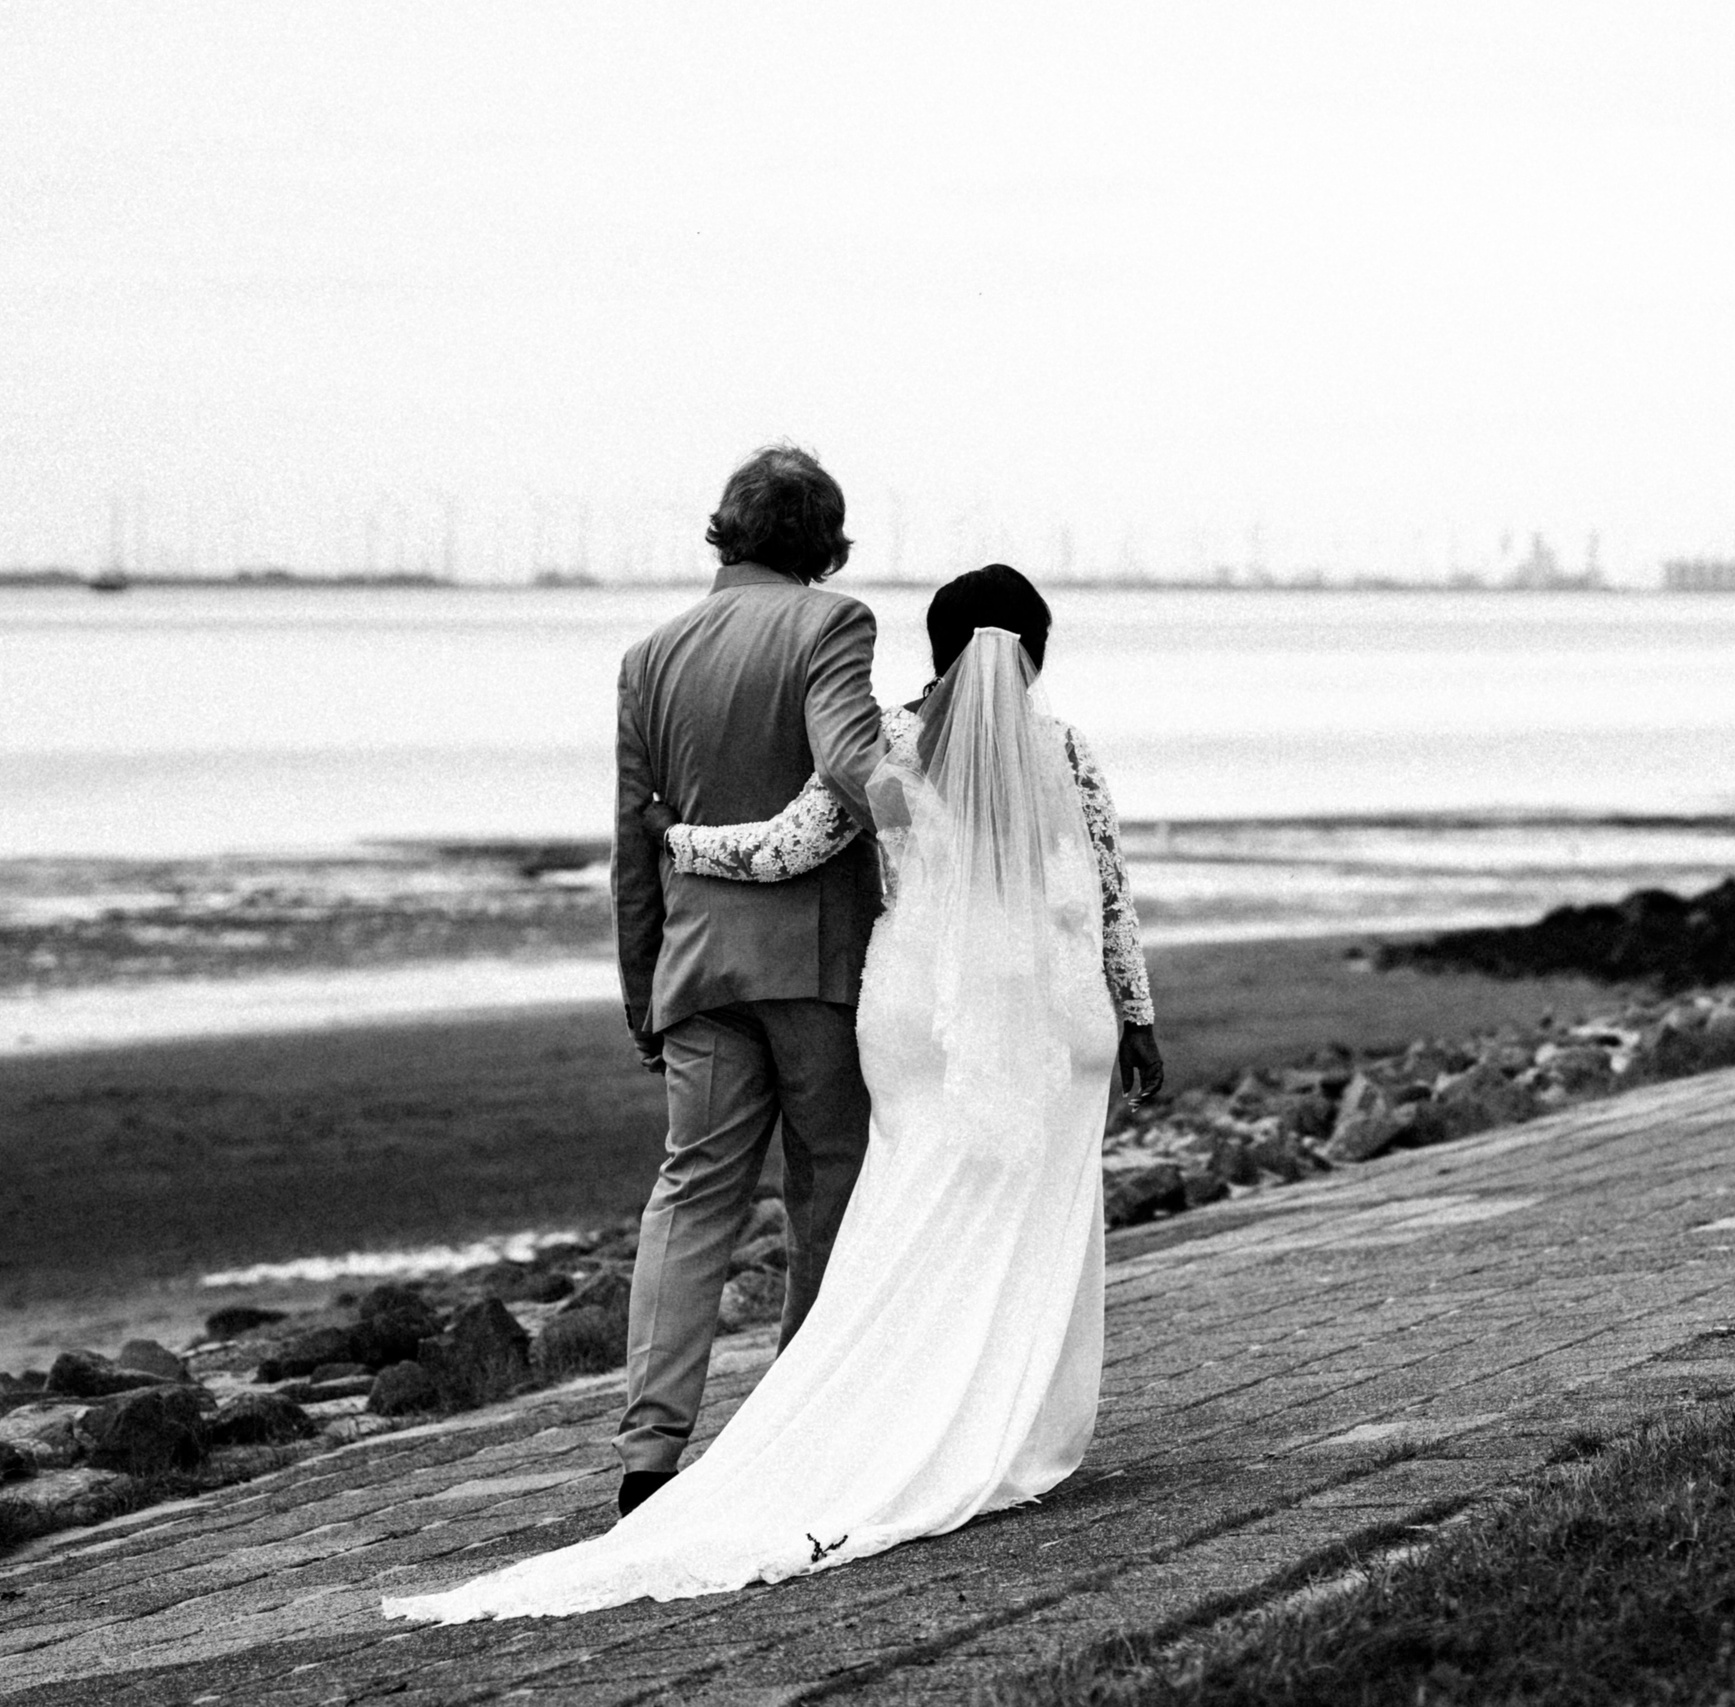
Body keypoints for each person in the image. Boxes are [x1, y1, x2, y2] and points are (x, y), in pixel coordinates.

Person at [383, 563, 1163, 1622]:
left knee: (906, 1216)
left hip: (920, 1022)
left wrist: (675, 838)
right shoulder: (1063, 750)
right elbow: (1109, 896)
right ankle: (1005, 1425)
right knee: (1028, 1225)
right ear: (1038, 651)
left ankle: (864, 1409)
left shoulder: (890, 744)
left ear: (936, 650)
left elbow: (787, 849)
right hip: (1054, 1022)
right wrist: (1139, 1017)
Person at [606, 444, 887, 1522]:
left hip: (697, 969)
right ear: (825, 543)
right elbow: (851, 764)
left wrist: (643, 989)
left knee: (691, 1196)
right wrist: (934, 808)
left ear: (728, 529)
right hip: (816, 966)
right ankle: (800, 1428)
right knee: (828, 1188)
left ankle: (648, 1454)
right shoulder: (831, 623)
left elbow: (634, 846)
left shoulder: (649, 657)